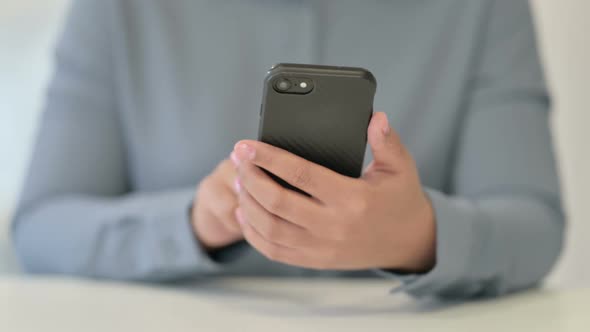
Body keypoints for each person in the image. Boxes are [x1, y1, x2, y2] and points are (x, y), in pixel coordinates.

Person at [12, 0, 563, 299]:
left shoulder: (486, 9)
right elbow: (41, 227)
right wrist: (194, 223)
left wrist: (417, 236)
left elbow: (535, 226)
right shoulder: (115, 10)